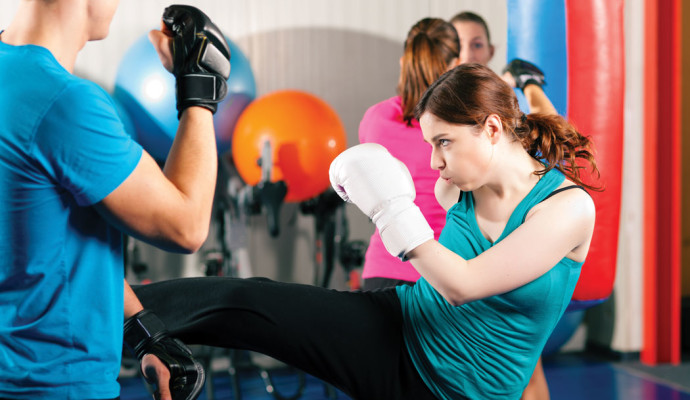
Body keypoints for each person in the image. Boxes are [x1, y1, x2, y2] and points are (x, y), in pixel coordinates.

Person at [133, 63, 599, 400]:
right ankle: (119, 309)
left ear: (492, 128)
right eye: (431, 144)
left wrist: (391, 212)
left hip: (460, 391)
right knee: (253, 301)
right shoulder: (454, 186)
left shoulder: (568, 209)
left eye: (444, 143)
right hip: (395, 327)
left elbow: (464, 285)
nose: (436, 162)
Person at [0, 1, 229, 399]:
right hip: (54, 385)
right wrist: (199, 91)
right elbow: (187, 226)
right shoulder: (63, 103)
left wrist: (142, 330)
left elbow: (38, 240)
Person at [451, 11, 560, 399]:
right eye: (459, 45)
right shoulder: (441, 104)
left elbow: (553, 137)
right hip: (450, 238)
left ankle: (526, 79)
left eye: (477, 44)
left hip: (501, 234)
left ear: (490, 49)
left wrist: (524, 86)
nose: (468, 53)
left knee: (524, 364)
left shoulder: (499, 106)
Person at [358, 17, 457, 291]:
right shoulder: (459, 127)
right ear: (455, 66)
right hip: (440, 271)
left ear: (404, 62)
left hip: (380, 269)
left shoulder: (374, 118)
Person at [450, 11, 557, 116]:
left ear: (491, 51)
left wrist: (530, 85)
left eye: (477, 45)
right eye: (459, 46)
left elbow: (554, 131)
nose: (467, 55)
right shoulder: (438, 101)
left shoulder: (503, 103)